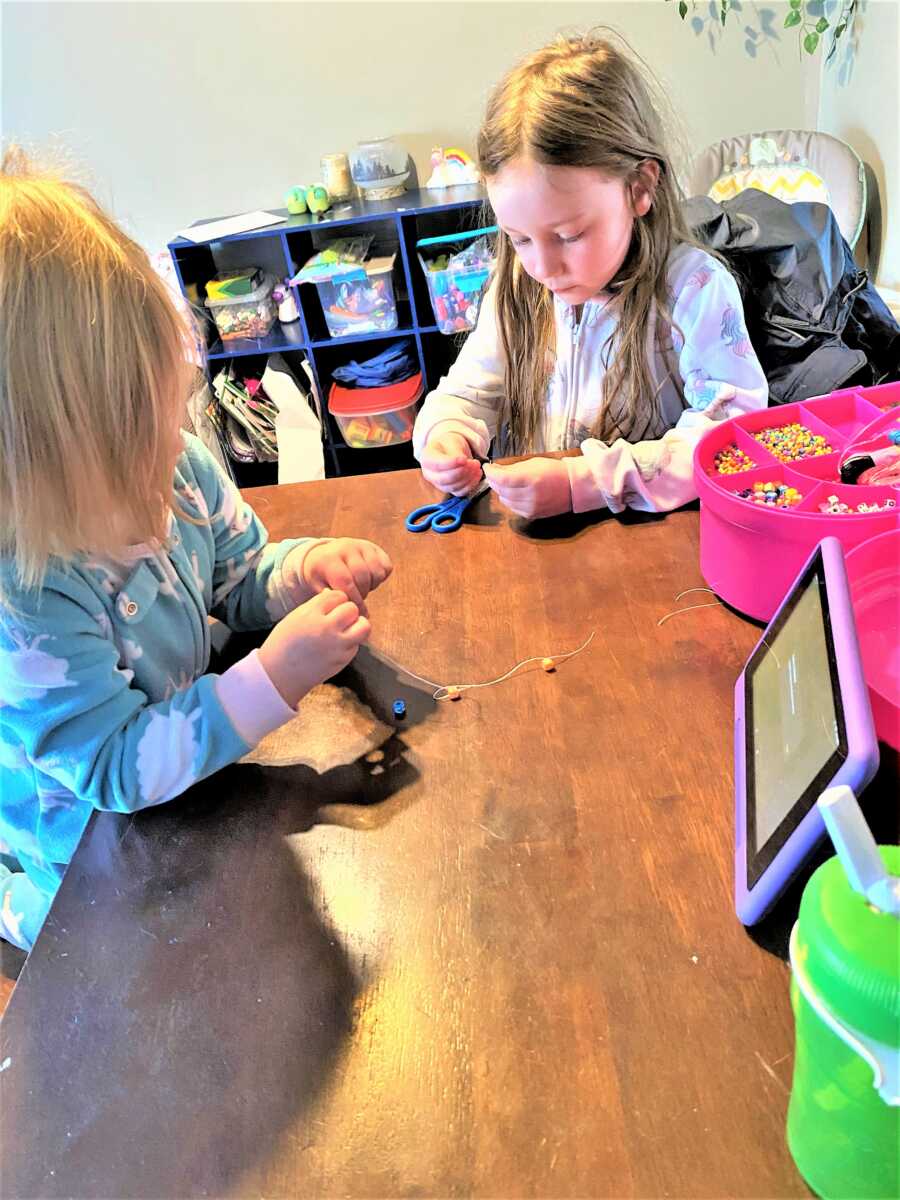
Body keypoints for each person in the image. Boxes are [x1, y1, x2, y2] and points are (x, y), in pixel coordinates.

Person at [0, 148, 392, 951]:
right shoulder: (27, 599)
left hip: (194, 789)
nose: (170, 452)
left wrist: (301, 570)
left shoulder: (175, 461)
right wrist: (274, 676)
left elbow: (237, 574)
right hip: (89, 854)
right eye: (135, 442)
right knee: (97, 963)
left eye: (166, 411)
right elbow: (112, 769)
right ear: (32, 473)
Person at [414, 31, 768, 519]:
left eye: (569, 235)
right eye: (518, 238)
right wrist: (447, 434)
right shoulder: (516, 284)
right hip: (540, 544)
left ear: (639, 187)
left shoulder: (695, 288)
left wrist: (582, 483)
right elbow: (470, 393)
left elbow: (730, 435)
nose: (541, 267)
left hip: (648, 547)